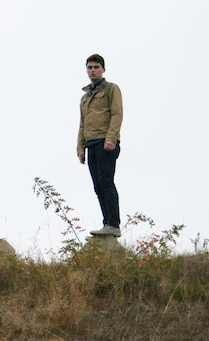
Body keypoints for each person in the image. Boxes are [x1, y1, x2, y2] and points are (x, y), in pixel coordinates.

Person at [76, 54, 123, 237]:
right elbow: (82, 123)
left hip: (106, 143)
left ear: (103, 69)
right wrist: (80, 148)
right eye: (90, 67)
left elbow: (117, 114)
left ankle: (113, 223)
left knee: (106, 182)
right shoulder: (85, 97)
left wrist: (111, 138)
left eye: (96, 67)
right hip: (91, 143)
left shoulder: (111, 89)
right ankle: (107, 224)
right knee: (97, 186)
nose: (93, 70)